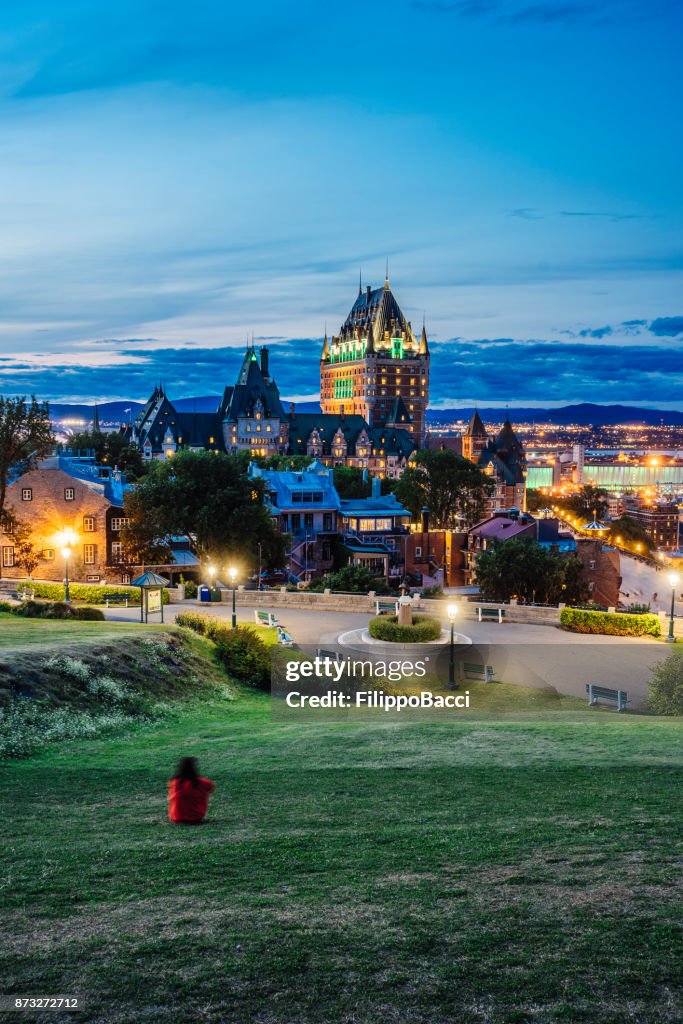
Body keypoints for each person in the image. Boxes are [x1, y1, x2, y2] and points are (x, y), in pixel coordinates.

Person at [167, 757, 215, 824]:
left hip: (176, 818)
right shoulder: (202, 782)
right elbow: (211, 788)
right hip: (196, 817)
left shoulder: (174, 782)